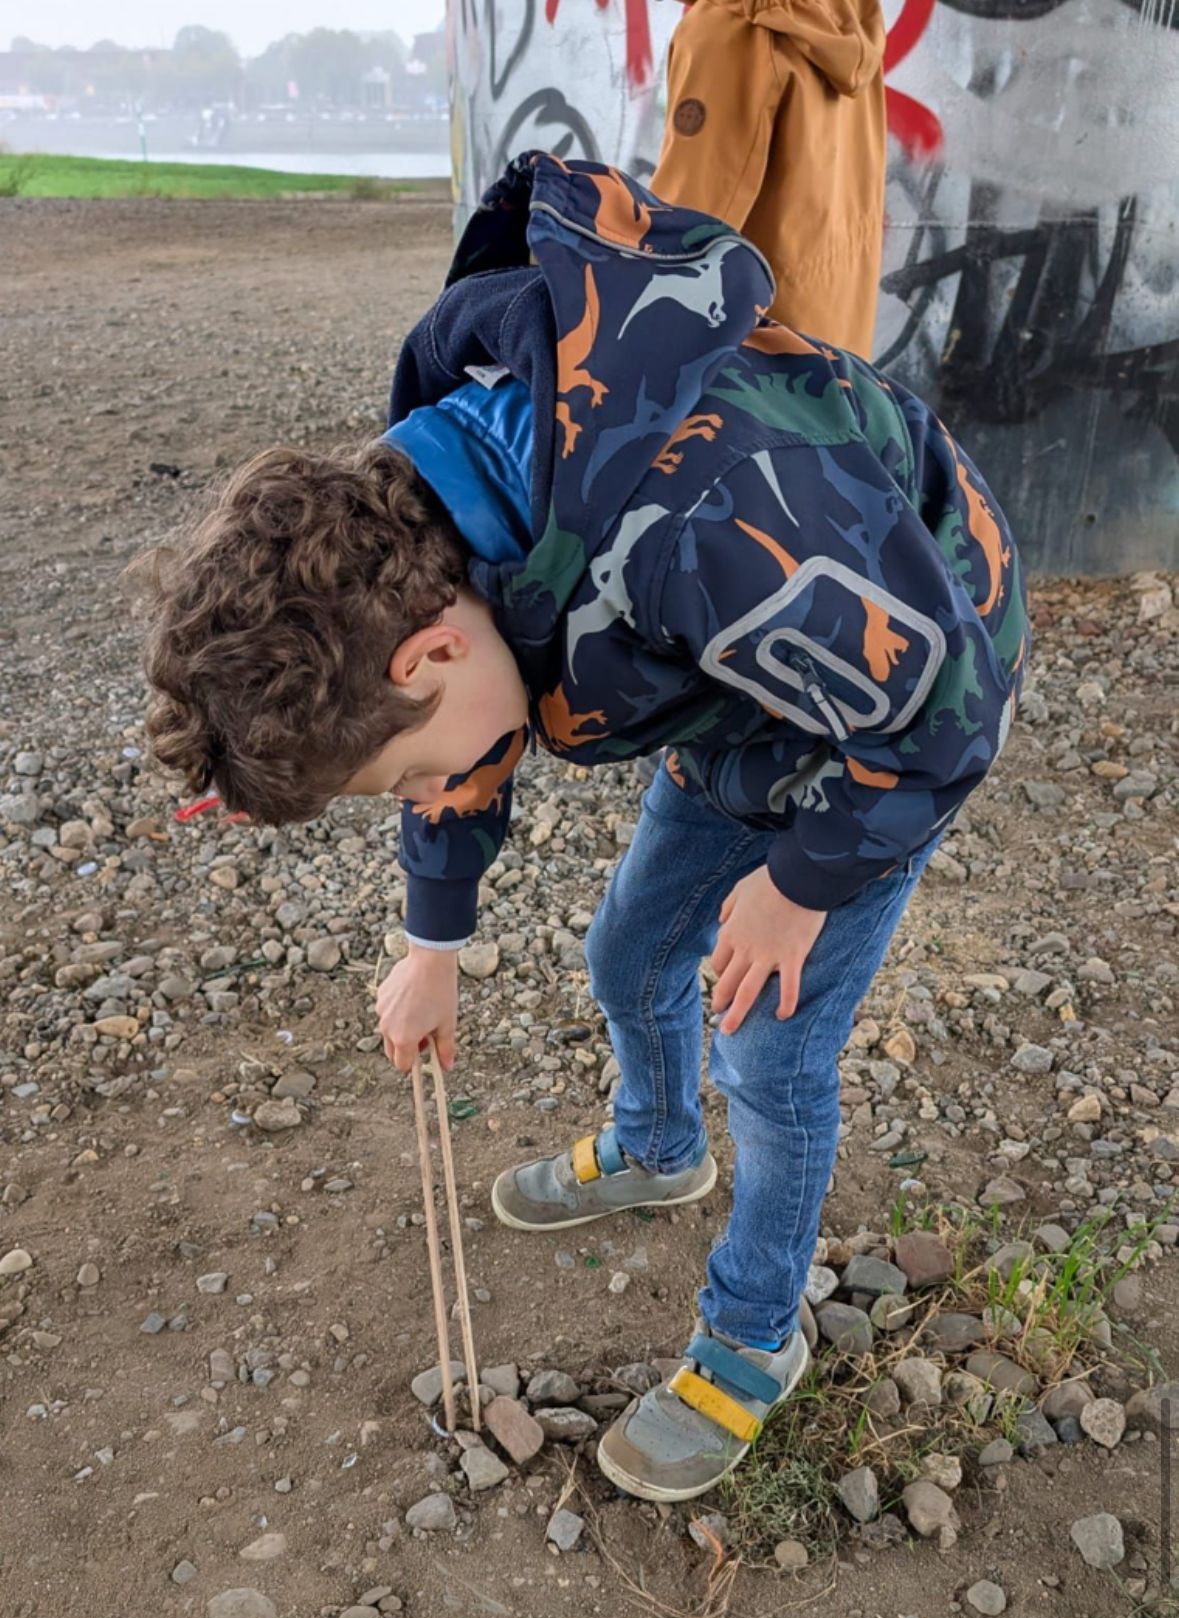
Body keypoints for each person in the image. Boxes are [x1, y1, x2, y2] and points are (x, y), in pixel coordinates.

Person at [141, 154, 1028, 1506]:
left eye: (405, 776)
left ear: (430, 655)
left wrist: (799, 882)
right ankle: (660, 1149)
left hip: (895, 707)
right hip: (729, 683)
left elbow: (942, 716)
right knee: (630, 952)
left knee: (769, 1043)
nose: (427, 795)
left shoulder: (704, 523)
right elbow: (464, 740)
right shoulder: (437, 536)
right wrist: (431, 942)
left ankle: (754, 1332)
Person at [651, 0, 886, 355]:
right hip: (830, 354)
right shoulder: (847, 14)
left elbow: (687, 231)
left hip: (748, 361)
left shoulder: (733, 30)